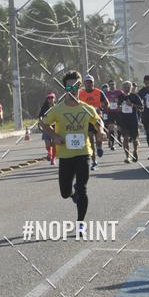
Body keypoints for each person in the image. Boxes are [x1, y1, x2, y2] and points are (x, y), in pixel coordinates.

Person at [38, 70, 104, 228]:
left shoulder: (87, 108)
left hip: (83, 153)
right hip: (65, 155)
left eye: (75, 87)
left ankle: (81, 222)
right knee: (65, 192)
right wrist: (54, 135)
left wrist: (100, 131)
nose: (72, 90)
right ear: (64, 88)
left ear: (80, 87)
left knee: (83, 188)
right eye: (68, 87)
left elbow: (98, 121)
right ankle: (72, 194)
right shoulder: (58, 109)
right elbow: (43, 123)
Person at [79, 74, 107, 170]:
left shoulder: (99, 92)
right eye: (86, 82)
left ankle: (99, 147)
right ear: (84, 83)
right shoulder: (81, 93)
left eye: (90, 82)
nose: (88, 84)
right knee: (90, 141)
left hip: (97, 119)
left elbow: (106, 103)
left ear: (93, 83)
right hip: (86, 120)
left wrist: (101, 109)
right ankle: (94, 162)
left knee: (99, 137)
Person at [117, 80, 143, 162]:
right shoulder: (120, 97)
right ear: (122, 88)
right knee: (125, 139)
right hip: (123, 121)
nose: (126, 89)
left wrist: (132, 105)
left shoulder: (135, 96)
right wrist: (119, 108)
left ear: (131, 88)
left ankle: (135, 151)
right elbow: (118, 108)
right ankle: (127, 156)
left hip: (133, 121)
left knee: (135, 140)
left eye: (128, 87)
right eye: (125, 87)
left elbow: (141, 107)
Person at [39, 92, 57, 164]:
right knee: (47, 144)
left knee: (54, 144)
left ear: (54, 98)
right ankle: (49, 153)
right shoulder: (44, 107)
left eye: (52, 98)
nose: (50, 99)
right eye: (49, 98)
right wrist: (40, 121)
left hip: (56, 126)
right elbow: (40, 116)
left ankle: (53, 158)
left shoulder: (57, 107)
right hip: (46, 126)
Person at [104, 79, 123, 150]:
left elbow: (124, 100)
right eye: (110, 85)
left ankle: (119, 137)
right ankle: (112, 144)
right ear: (109, 86)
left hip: (118, 112)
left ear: (115, 85)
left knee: (120, 127)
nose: (112, 86)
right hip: (110, 112)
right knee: (111, 128)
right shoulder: (106, 94)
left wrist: (118, 101)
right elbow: (103, 103)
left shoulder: (119, 92)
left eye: (113, 84)